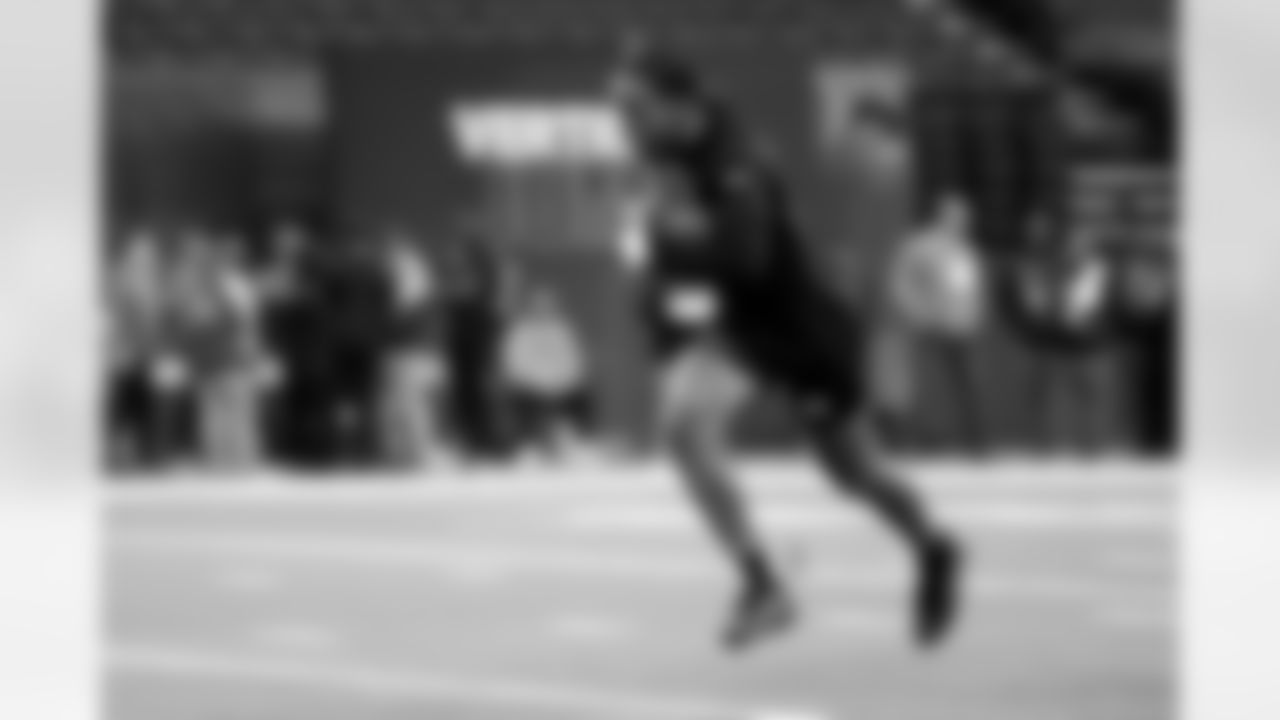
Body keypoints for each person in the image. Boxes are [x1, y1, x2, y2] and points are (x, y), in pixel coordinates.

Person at [609, 44, 964, 652]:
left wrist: (659, 250)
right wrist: (660, 292)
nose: (624, 117)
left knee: (856, 474)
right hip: (744, 327)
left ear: (678, 104)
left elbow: (744, 259)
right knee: (682, 423)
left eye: (636, 104)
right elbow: (677, 259)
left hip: (802, 331)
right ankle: (761, 581)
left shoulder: (736, 160)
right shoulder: (662, 150)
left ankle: (933, 547)